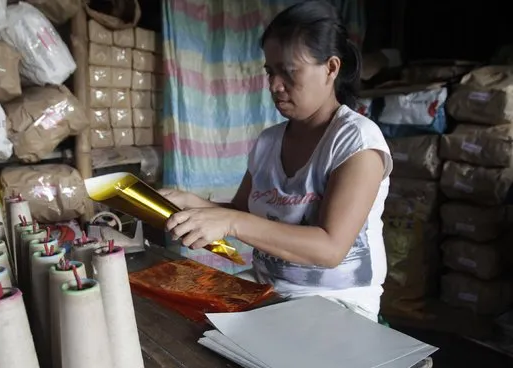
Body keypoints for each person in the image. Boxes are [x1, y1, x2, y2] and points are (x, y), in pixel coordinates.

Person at [159, 0, 392, 322]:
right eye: (270, 71)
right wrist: (194, 204)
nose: (274, 86)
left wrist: (230, 223)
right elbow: (243, 212)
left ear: (331, 68)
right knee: (172, 311)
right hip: (268, 287)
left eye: (289, 71)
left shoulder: (356, 141)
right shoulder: (269, 141)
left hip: (337, 304)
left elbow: (330, 249)